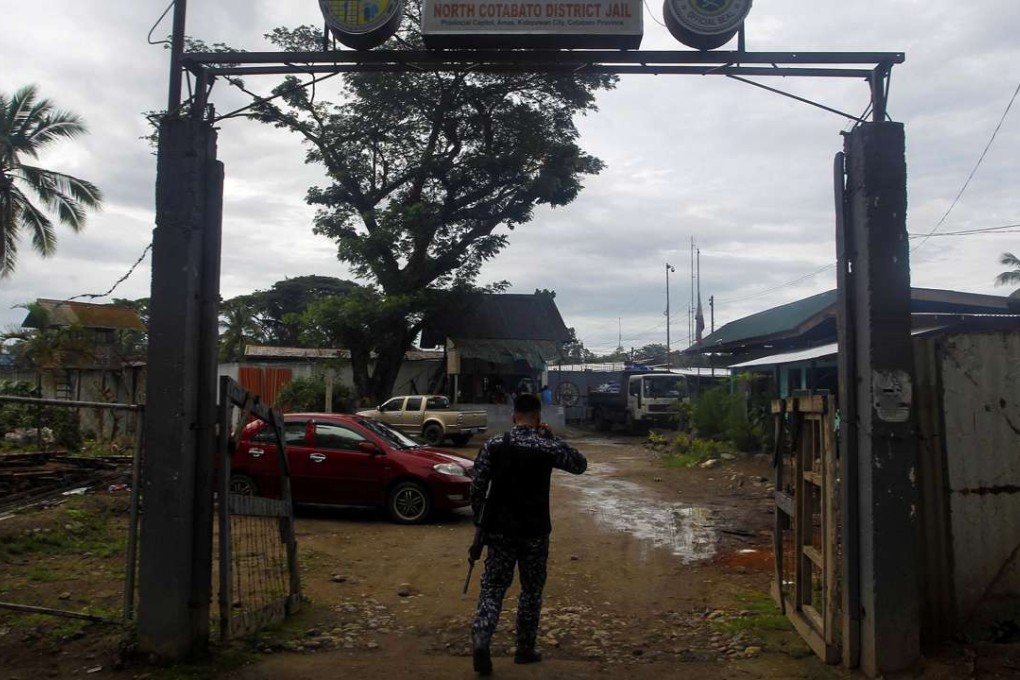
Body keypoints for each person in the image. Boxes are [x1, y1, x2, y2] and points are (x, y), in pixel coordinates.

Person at [469, 393, 587, 675]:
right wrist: (552, 438)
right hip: (534, 532)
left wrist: (480, 522)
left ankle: (482, 638)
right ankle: (524, 649)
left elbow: (476, 486)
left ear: (514, 416)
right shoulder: (545, 446)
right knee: (531, 591)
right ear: (538, 418)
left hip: (499, 531)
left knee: (493, 587)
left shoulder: (495, 444)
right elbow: (579, 465)